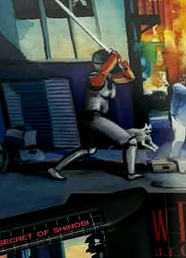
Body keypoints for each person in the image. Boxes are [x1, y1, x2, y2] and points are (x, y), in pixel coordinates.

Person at [48, 49, 150, 181]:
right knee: (131, 142)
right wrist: (114, 57)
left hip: (91, 118)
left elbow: (130, 77)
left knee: (89, 150)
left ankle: (55, 169)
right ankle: (131, 174)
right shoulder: (94, 78)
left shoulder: (109, 78)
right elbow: (102, 73)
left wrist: (125, 67)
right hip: (93, 117)